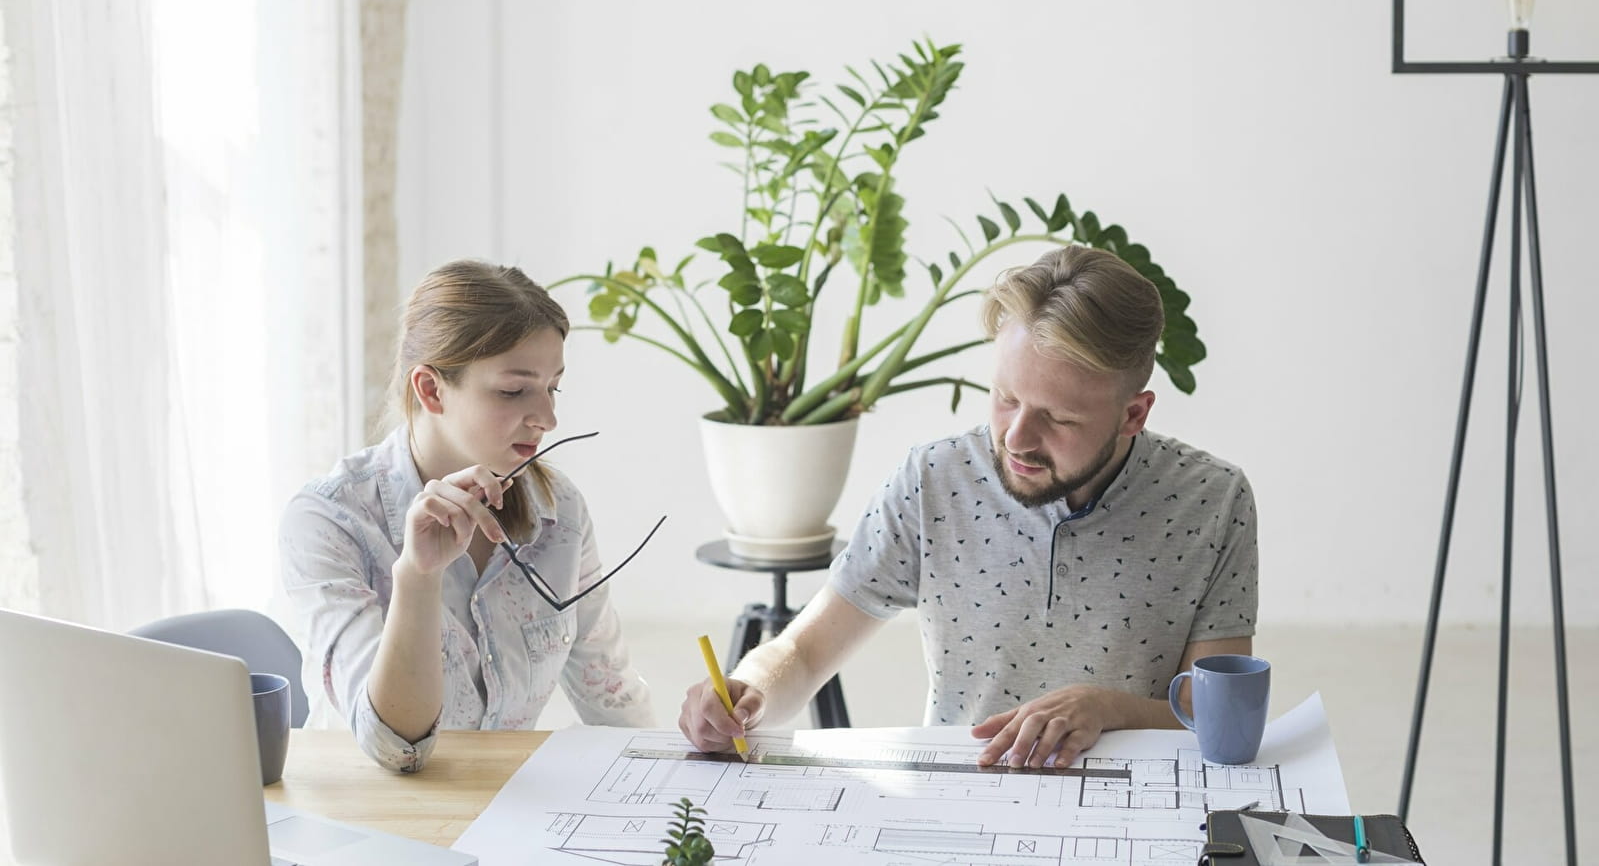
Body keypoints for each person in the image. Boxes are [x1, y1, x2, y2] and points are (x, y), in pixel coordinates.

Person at [678, 245, 1257, 769]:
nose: (1016, 439)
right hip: (963, 807)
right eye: (1006, 398)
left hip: (1140, 812)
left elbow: (1213, 715)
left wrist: (1106, 708)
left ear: (1134, 413)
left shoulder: (1213, 500)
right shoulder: (934, 480)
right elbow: (803, 652)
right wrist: (744, 691)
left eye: (1057, 418)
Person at [282, 260, 653, 773]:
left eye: (553, 387)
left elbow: (612, 700)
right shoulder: (330, 520)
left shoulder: (558, 511)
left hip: (499, 818)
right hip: (371, 821)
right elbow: (395, 748)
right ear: (431, 390)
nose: (547, 419)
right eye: (513, 390)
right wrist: (418, 577)